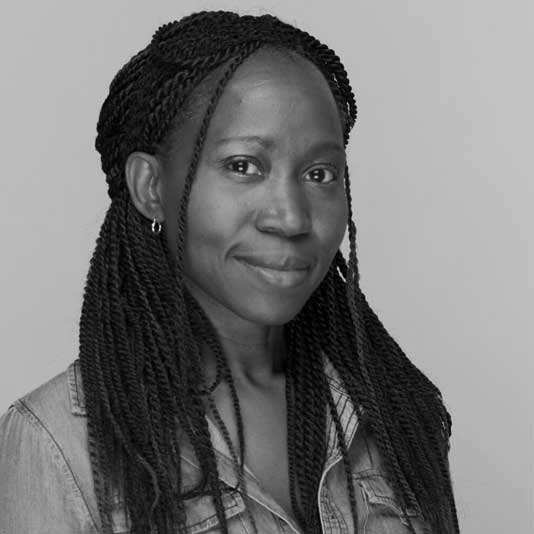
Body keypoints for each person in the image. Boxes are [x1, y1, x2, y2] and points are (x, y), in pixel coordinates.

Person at [0, 10, 459, 534]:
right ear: (151, 188)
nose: (289, 216)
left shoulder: (395, 413)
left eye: (319, 173)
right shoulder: (59, 446)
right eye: (244, 166)